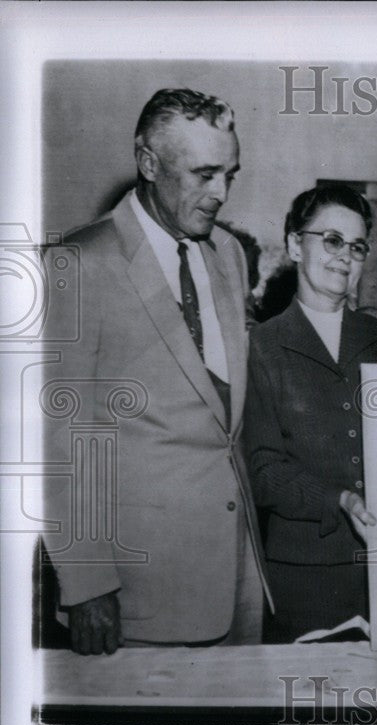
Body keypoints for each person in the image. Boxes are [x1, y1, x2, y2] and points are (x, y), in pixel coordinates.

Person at [42, 88, 270, 653]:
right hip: (138, 595)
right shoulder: (79, 262)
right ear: (148, 163)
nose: (220, 193)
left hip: (239, 580)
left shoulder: (228, 254)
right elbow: (58, 439)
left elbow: (219, 393)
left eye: (230, 175)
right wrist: (87, 584)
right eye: (204, 174)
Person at [243, 183, 377, 642]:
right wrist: (337, 498)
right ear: (296, 244)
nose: (345, 257)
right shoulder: (261, 347)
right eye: (332, 240)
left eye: (357, 247)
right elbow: (261, 468)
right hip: (304, 578)